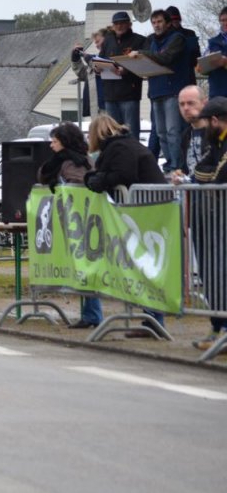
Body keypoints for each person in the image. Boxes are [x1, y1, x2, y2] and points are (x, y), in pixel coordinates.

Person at [83, 114, 167, 338]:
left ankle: (154, 320)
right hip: (147, 208)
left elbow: (124, 174)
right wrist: (95, 178)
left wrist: (100, 180)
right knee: (145, 265)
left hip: (148, 209)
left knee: (146, 265)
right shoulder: (123, 145)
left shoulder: (119, 148)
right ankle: (152, 319)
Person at [37, 122, 103, 329]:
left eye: (55, 141)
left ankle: (93, 314)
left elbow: (78, 185)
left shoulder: (73, 163)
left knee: (85, 266)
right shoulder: (68, 160)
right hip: (74, 220)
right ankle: (90, 313)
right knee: (82, 267)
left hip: (80, 220)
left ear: (65, 142)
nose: (51, 145)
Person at [189, 96, 227, 352]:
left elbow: (218, 176)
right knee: (212, 273)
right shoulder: (216, 143)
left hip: (221, 215)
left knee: (222, 272)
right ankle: (217, 327)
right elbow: (200, 171)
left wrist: (206, 177)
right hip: (213, 215)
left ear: (214, 120)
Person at [130, 9, 189, 172]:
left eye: (160, 22)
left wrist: (141, 53)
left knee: (172, 131)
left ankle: (178, 166)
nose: (156, 25)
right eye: (154, 22)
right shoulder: (150, 40)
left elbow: (166, 58)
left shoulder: (177, 38)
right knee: (161, 132)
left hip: (173, 91)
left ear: (168, 23)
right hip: (156, 91)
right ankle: (170, 165)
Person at [98, 11, 146, 140]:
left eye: (122, 23)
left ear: (129, 24)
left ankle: (132, 154)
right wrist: (97, 67)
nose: (119, 26)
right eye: (116, 23)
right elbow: (101, 59)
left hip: (129, 94)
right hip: (110, 95)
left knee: (131, 134)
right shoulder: (108, 41)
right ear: (113, 26)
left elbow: (144, 64)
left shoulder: (139, 40)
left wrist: (126, 70)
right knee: (113, 135)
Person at [72, 28, 111, 117]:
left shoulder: (114, 57)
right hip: (97, 108)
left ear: (107, 40)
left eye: (98, 42)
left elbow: (103, 66)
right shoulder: (95, 58)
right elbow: (83, 74)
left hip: (111, 107)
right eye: (95, 43)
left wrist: (90, 60)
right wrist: (75, 58)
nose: (96, 45)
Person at [198, 6, 227, 98]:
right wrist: (201, 67)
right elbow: (202, 66)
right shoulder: (213, 42)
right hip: (216, 91)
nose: (225, 23)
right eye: (222, 20)